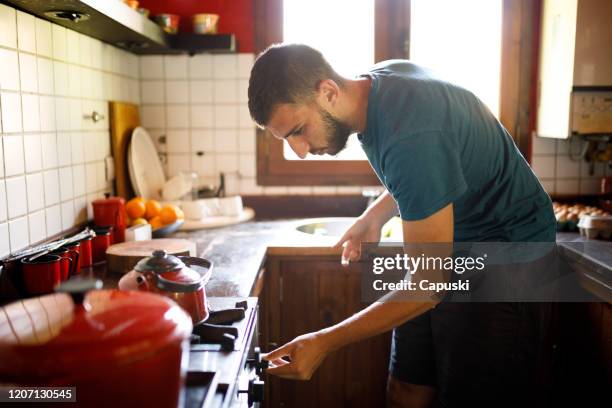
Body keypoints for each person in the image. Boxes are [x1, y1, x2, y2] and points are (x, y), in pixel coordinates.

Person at [247, 43, 556, 407]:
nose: (299, 151)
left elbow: (428, 285)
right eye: (286, 139)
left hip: (506, 250)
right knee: (406, 388)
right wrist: (374, 216)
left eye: (298, 130)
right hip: (454, 242)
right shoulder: (374, 91)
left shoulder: (409, 129)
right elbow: (429, 170)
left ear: (328, 92)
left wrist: (324, 342)